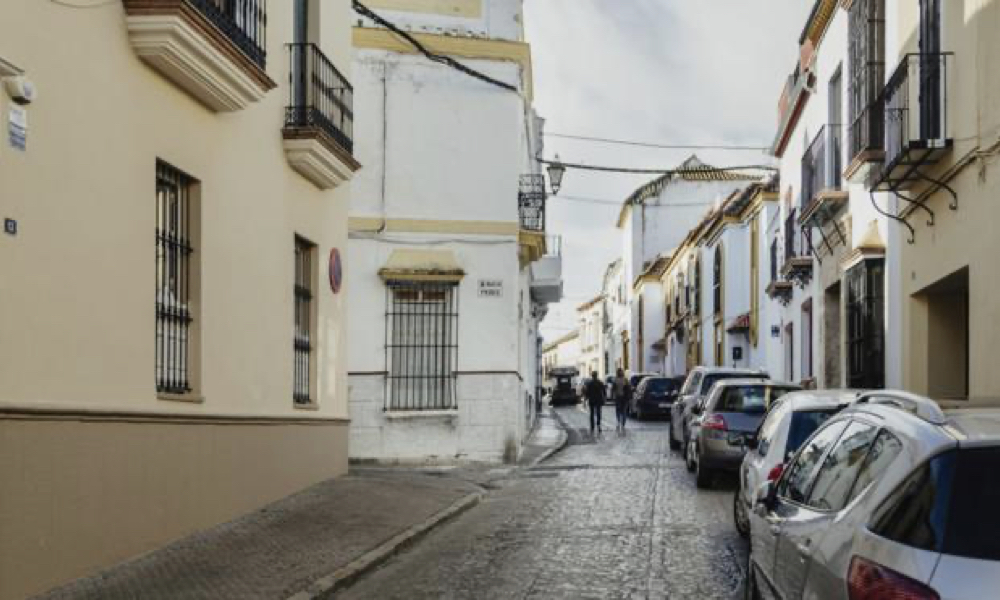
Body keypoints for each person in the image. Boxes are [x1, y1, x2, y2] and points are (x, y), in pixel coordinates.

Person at [584, 371, 606, 436]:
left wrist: (585, 400)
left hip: (592, 400)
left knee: (592, 414)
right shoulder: (600, 383)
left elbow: (587, 393)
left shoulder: (589, 383)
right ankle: (598, 425)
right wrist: (604, 398)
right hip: (599, 400)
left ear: (592, 376)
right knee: (598, 413)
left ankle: (592, 426)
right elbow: (604, 391)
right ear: (597, 375)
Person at [613, 368, 631, 432]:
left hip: (622, 397)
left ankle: (622, 423)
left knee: (622, 411)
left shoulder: (623, 379)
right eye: (620, 372)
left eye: (621, 372)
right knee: (621, 411)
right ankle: (620, 423)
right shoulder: (623, 379)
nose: (621, 373)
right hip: (620, 397)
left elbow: (628, 389)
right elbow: (614, 389)